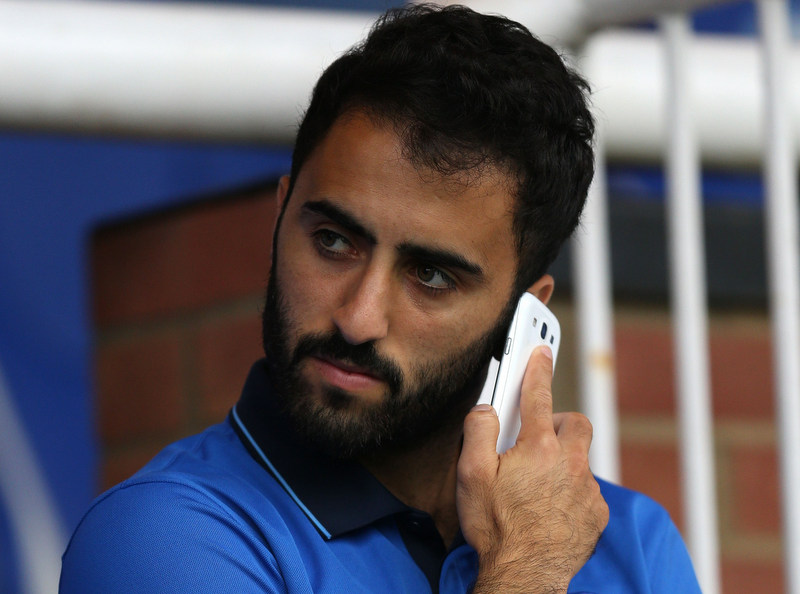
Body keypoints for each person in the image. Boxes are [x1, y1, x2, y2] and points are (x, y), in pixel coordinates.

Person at [60, 4, 700, 592]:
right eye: (334, 240)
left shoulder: (630, 545)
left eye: (432, 276)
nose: (358, 317)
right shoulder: (166, 536)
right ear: (282, 217)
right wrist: (527, 572)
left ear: (522, 316)